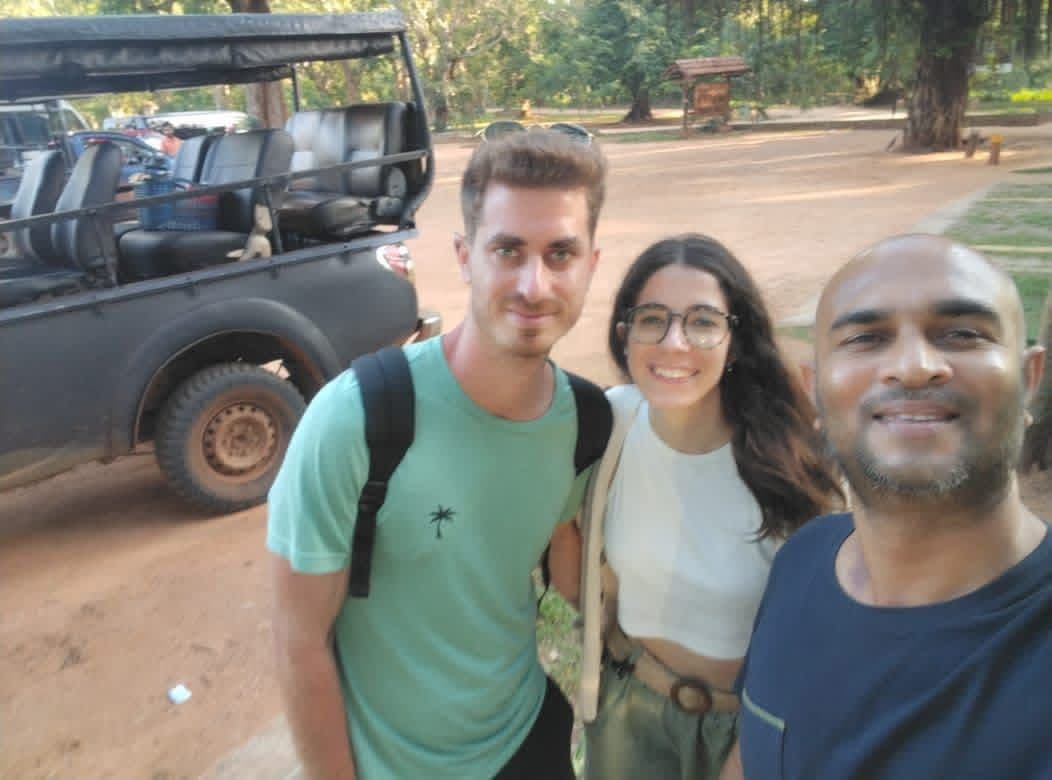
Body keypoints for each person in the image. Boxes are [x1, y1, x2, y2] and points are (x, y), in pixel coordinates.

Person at [266, 130, 608, 780]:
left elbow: (568, 569)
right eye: (508, 250)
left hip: (526, 739)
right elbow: (298, 641)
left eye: (560, 253)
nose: (535, 285)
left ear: (591, 263)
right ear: (464, 257)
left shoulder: (585, 421)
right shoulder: (356, 419)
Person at [727, 234, 1052, 780]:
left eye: (962, 334)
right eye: (867, 338)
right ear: (815, 394)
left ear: (1029, 378)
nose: (914, 366)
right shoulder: (802, 559)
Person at [549, 234, 843, 780]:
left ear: (737, 339)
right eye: (652, 318)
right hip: (628, 716)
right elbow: (566, 537)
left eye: (703, 321)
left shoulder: (796, 459)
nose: (675, 342)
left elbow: (834, 632)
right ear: (625, 334)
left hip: (756, 732)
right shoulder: (609, 423)